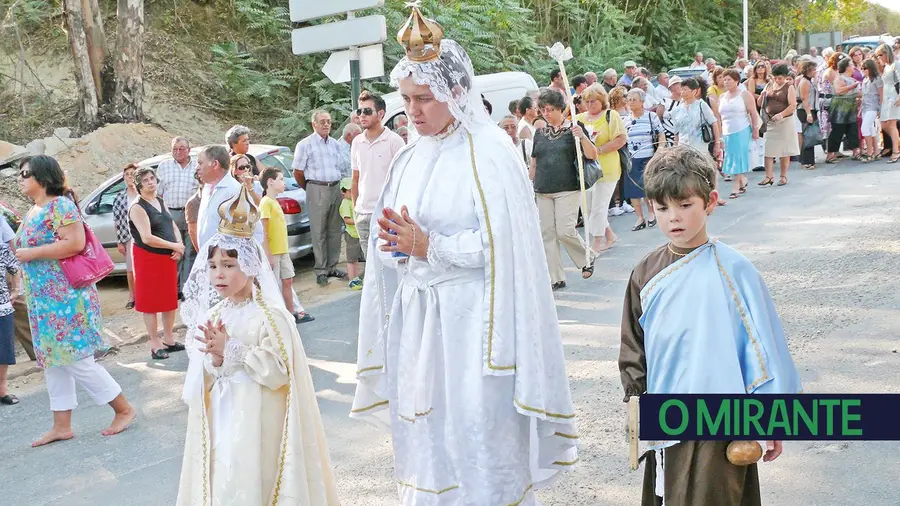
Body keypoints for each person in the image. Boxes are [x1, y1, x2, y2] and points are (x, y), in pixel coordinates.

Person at [351, 6, 578, 504]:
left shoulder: (489, 151)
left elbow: (506, 248)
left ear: (455, 92)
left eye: (424, 99)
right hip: (420, 323)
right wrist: (397, 248)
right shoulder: (408, 158)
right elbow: (391, 243)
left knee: (476, 428)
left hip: (473, 323)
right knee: (428, 430)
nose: (412, 110)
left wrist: (431, 246)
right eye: (406, 99)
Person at [618, 144, 802, 506]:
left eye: (685, 206)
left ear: (711, 202)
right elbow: (633, 344)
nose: (674, 218)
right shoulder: (645, 273)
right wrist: (636, 400)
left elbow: (763, 348)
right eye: (662, 208)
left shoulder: (735, 271)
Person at [177, 185, 340, 506]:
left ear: (251, 265)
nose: (218, 274)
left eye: (228, 265)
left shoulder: (272, 316)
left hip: (261, 420)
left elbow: (280, 373)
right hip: (225, 417)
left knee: (256, 482)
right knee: (226, 481)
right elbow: (209, 372)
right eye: (212, 266)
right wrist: (217, 357)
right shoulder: (216, 313)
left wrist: (233, 348)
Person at [15, 155, 135, 447]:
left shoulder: (61, 205)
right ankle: (61, 425)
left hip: (65, 297)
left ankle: (123, 408)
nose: (19, 178)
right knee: (54, 361)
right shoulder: (36, 210)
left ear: (42, 177)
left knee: (77, 358)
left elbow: (75, 243)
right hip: (44, 299)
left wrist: (30, 254)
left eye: (24, 173)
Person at [532, 88, 598, 289]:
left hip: (567, 187)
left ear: (561, 109)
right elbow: (534, 163)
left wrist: (583, 137)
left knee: (565, 230)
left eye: (550, 109)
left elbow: (592, 155)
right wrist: (528, 184)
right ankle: (555, 276)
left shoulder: (574, 129)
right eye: (543, 109)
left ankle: (587, 256)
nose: (546, 113)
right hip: (543, 188)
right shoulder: (539, 133)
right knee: (547, 234)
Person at [129, 166, 186, 360]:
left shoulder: (160, 201)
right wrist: (174, 245)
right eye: (145, 180)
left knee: (169, 299)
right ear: (139, 185)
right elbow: (146, 237)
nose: (151, 182)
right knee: (150, 301)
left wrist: (178, 245)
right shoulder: (137, 207)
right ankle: (154, 343)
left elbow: (171, 224)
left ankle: (169, 338)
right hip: (148, 257)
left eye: (152, 178)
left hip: (167, 256)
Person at [351, 90, 406, 275]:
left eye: (367, 111)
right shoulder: (357, 142)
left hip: (385, 213)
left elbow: (402, 179)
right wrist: (355, 208)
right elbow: (356, 178)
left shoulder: (394, 141)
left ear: (381, 114)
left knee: (390, 268)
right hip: (362, 213)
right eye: (359, 112)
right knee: (372, 271)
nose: (362, 116)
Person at [292, 110, 348, 287]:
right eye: (322, 121)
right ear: (314, 124)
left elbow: (340, 167)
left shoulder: (335, 144)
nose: (326, 124)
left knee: (334, 230)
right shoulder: (305, 144)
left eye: (329, 122)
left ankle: (332, 266)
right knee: (318, 231)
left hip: (335, 188)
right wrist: (309, 188)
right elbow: (298, 172)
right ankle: (321, 270)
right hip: (316, 188)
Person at [258, 167, 313, 323]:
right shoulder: (266, 203)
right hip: (274, 252)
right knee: (274, 285)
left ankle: (291, 312)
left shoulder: (274, 202)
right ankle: (277, 316)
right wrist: (268, 253)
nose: (283, 183)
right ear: (270, 181)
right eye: (280, 179)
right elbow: (264, 230)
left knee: (287, 280)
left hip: (283, 250)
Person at [576, 84, 626, 251]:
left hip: (607, 168)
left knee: (599, 206)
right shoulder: (580, 119)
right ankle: (609, 235)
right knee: (588, 206)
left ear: (601, 101)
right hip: (587, 170)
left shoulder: (611, 116)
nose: (590, 105)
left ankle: (596, 243)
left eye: (593, 101)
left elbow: (620, 139)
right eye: (587, 101)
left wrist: (599, 150)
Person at [156, 136, 199, 298]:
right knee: (174, 252)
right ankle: (171, 289)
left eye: (181, 148)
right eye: (175, 149)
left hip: (192, 214)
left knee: (190, 252)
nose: (178, 152)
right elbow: (157, 193)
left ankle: (185, 289)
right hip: (170, 213)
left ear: (189, 150)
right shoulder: (164, 166)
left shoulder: (197, 166)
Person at [623, 88, 664, 230]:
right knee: (633, 190)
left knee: (646, 188)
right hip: (631, 158)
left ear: (642, 101)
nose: (631, 102)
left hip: (648, 157)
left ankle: (652, 213)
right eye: (629, 100)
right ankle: (639, 217)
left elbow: (661, 135)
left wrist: (659, 150)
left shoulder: (651, 117)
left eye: (634, 99)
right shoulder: (625, 120)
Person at [719, 69, 761, 198]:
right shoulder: (722, 97)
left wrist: (755, 129)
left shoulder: (744, 94)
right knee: (730, 157)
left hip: (741, 129)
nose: (726, 82)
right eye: (724, 79)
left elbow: (753, 113)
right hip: (727, 131)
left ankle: (736, 186)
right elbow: (720, 117)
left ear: (736, 81)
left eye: (729, 80)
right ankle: (742, 180)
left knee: (738, 157)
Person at [197, 145, 242, 249]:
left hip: (226, 260)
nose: (197, 167)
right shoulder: (207, 188)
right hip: (208, 258)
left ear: (215, 164)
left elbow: (248, 231)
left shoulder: (234, 191)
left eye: (200, 163)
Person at [112, 163, 139, 309]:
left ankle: (144, 295)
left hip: (145, 236)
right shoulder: (119, 197)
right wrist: (119, 241)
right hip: (128, 237)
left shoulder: (143, 194)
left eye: (133, 174)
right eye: (127, 174)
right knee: (130, 269)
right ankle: (132, 296)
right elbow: (116, 220)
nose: (130, 177)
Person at [825, 58, 860, 167]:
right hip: (840, 108)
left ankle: (855, 152)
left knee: (852, 129)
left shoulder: (851, 79)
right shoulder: (839, 78)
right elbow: (839, 91)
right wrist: (853, 86)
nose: (853, 67)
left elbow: (857, 93)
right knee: (837, 131)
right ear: (846, 67)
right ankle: (830, 154)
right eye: (851, 65)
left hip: (850, 107)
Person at [0, 239, 20, 405]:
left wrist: (15, 289)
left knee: (4, 351)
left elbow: (15, 267)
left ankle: (2, 390)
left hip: (1, 306)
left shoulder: (2, 249)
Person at [875, 44, 900, 163]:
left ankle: (896, 151)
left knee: (891, 124)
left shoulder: (896, 64)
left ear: (886, 53)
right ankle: (897, 144)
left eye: (880, 55)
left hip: (894, 97)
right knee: (884, 124)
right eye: (878, 55)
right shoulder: (886, 66)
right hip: (886, 97)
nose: (879, 57)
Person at [339, 178, 363, 290]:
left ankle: (356, 278)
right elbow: (347, 220)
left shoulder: (354, 202)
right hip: (351, 234)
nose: (353, 192)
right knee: (351, 259)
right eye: (350, 190)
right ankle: (352, 279)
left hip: (357, 234)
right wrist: (358, 221)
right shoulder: (345, 204)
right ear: (343, 192)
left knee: (355, 259)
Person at [796, 60, 820, 169]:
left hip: (811, 109)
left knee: (810, 134)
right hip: (805, 110)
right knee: (808, 135)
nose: (815, 71)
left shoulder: (810, 81)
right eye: (814, 69)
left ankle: (807, 159)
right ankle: (807, 161)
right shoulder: (804, 81)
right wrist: (809, 113)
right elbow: (805, 99)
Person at [860, 59, 883, 162]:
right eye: (862, 68)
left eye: (865, 68)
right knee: (871, 129)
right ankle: (876, 152)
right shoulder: (865, 79)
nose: (863, 70)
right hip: (865, 107)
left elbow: (881, 94)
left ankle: (870, 152)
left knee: (864, 128)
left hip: (873, 107)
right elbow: (864, 95)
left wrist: (881, 109)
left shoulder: (877, 79)